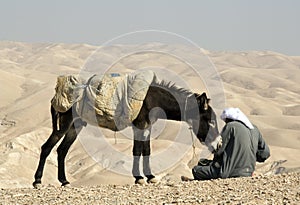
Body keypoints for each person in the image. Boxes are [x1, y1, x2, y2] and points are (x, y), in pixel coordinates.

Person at [182, 107, 270, 181]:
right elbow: (265, 154)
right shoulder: (254, 128)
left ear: (228, 119)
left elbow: (219, 150)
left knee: (197, 169)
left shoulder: (230, 127)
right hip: (248, 172)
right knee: (204, 163)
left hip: (228, 172)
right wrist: (250, 158)